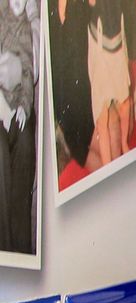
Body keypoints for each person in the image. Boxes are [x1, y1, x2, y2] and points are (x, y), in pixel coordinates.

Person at [0, 0, 35, 254]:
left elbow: (27, 72)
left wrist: (23, 106)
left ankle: (20, 250)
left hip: (16, 105)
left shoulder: (28, 28)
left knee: (25, 144)